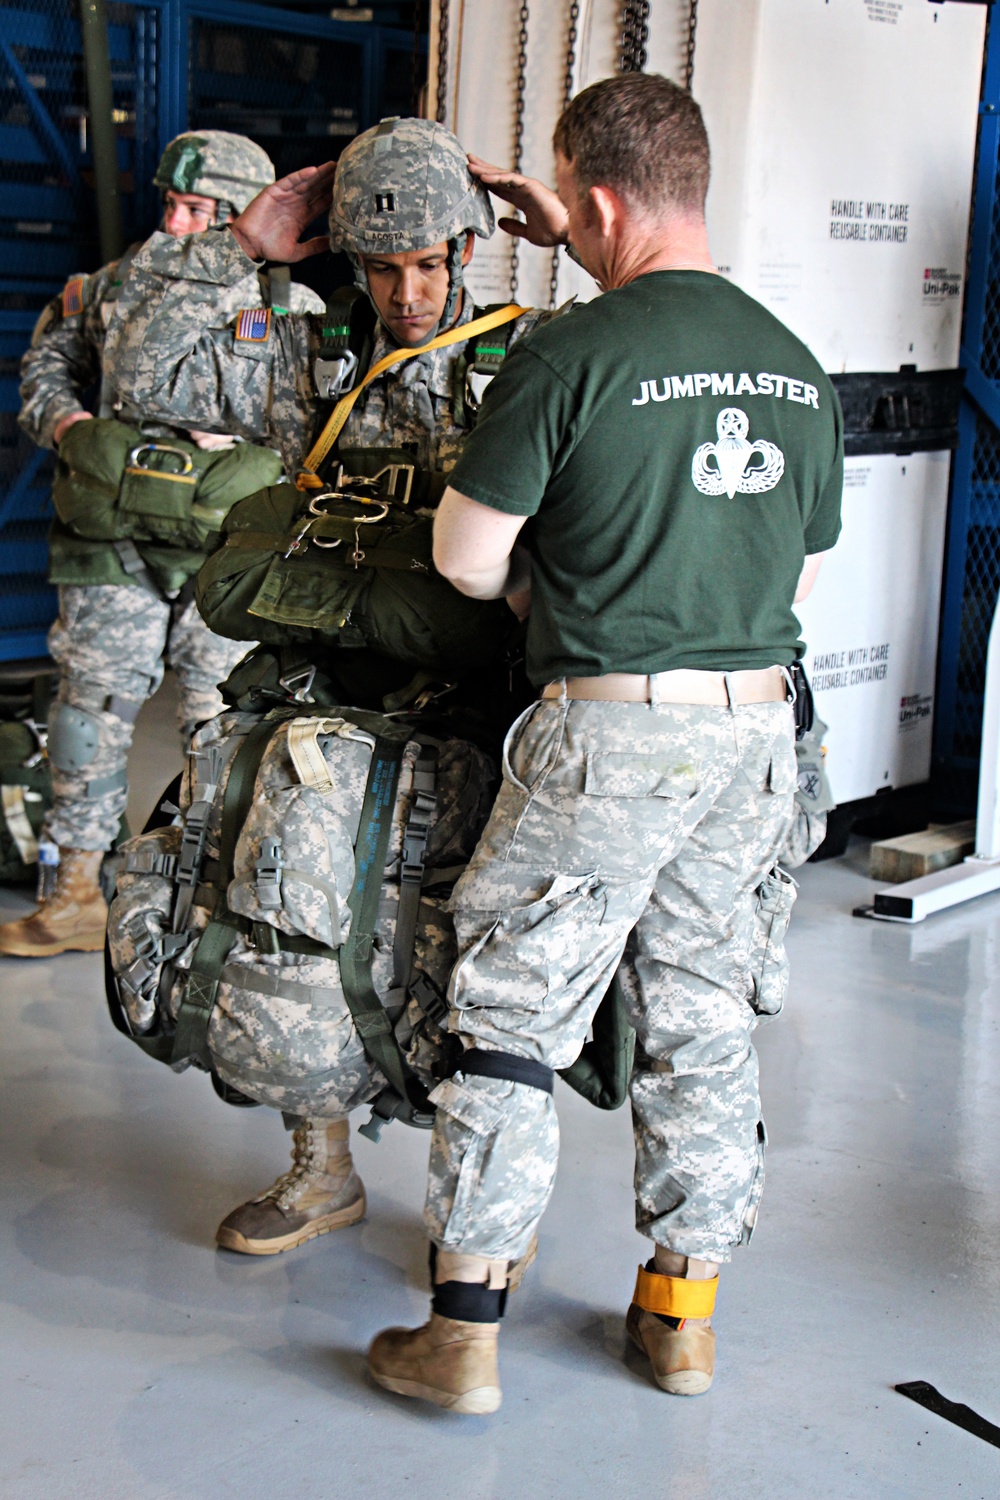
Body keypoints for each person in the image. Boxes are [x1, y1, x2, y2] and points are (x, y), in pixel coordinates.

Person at [366, 73, 844, 1414]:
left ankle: (462, 1336)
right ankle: (679, 1321)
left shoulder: (569, 355)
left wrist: (542, 588)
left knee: (512, 1016)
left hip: (604, 737)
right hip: (752, 741)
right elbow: (793, 574)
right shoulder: (794, 363)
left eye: (569, 211)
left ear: (596, 202)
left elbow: (465, 559)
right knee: (701, 1020)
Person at [101, 117, 545, 1261]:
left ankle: (474, 1211)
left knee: (468, 946)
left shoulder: (530, 352)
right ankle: (322, 1165)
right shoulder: (304, 351)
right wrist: (241, 248)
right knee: (275, 903)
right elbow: (142, 369)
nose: (407, 293)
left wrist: (566, 233)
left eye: (429, 264)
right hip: (321, 682)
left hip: (473, 695)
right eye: (383, 267)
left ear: (464, 248)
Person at [0, 131, 324, 961]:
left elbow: (320, 421)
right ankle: (74, 886)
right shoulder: (112, 290)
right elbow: (45, 367)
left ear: (246, 213)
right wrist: (72, 428)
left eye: (199, 209)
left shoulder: (291, 310)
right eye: (170, 203)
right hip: (117, 542)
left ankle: (206, 894)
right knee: (90, 710)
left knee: (224, 721)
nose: (177, 223)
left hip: (228, 548)